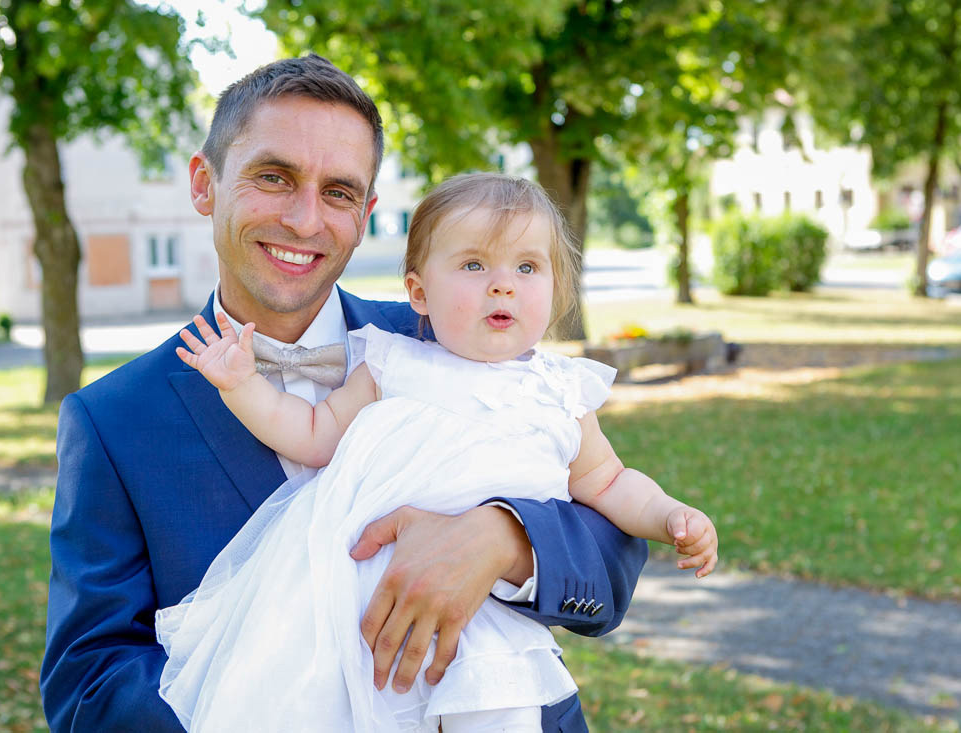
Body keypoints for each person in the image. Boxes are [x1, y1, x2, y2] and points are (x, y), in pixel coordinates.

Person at [40, 54, 649, 733]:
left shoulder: (454, 333)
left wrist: (502, 540)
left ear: (366, 213)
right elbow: (88, 682)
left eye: (338, 191)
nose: (306, 219)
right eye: (274, 177)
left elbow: (611, 544)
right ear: (204, 184)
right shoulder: (112, 420)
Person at [156, 172, 718, 732]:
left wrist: (671, 515)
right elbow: (309, 432)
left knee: (500, 707)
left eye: (527, 267)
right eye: (474, 265)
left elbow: (609, 483)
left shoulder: (563, 395)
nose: (503, 285)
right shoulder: (391, 365)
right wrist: (241, 386)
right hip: (355, 613)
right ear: (419, 292)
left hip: (491, 621)